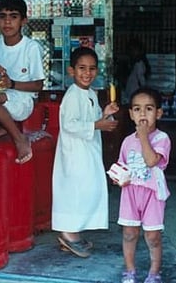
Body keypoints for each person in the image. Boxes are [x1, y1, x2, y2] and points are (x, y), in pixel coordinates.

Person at [51, 46, 119, 258]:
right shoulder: (72, 95)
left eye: (91, 68)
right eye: (82, 68)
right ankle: (68, 233)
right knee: (74, 192)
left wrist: (105, 114)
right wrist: (98, 125)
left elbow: (93, 118)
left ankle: (73, 232)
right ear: (71, 71)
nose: (87, 73)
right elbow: (70, 125)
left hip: (87, 152)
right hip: (75, 154)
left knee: (84, 191)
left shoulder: (89, 93)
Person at [114, 87, 171, 283]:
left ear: (158, 113)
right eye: (137, 109)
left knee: (152, 236)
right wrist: (118, 177)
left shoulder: (162, 138)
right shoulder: (127, 141)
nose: (143, 114)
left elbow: (151, 160)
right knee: (129, 234)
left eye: (148, 109)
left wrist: (144, 136)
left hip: (152, 194)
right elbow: (122, 165)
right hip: (130, 193)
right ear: (131, 114)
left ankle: (154, 273)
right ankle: (130, 271)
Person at [0, 0, 45, 164]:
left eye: (13, 17)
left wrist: (11, 83)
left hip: (22, 101)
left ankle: (19, 139)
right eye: (2, 17)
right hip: (0, 97)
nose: (7, 22)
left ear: (24, 21)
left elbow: (39, 85)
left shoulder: (31, 47)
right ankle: (3, 127)